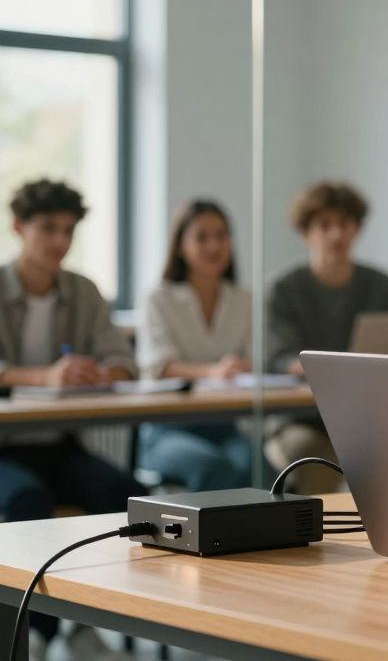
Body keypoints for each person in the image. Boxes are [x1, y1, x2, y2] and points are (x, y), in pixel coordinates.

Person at [0, 179, 144, 660]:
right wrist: (45, 375)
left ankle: (88, 620)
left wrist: (95, 372)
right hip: (5, 448)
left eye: (68, 230)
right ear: (18, 227)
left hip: (59, 445)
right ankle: (37, 632)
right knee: (27, 499)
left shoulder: (83, 291)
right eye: (48, 229)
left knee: (120, 492)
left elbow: (123, 360)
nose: (60, 241)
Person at [266, 182, 388, 493]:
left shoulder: (382, 286)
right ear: (306, 233)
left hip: (367, 419)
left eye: (344, 224)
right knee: (313, 458)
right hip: (299, 419)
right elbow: (278, 358)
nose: (336, 234)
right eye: (324, 225)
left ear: (356, 229)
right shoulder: (284, 289)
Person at [137, 199, 255, 491]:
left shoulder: (242, 299)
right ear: (180, 245)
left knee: (261, 465)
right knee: (213, 467)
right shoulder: (158, 298)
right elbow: (159, 367)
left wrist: (243, 366)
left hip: (224, 425)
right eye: (201, 237)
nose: (214, 246)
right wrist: (215, 372)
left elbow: (252, 360)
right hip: (166, 429)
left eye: (221, 236)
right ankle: (214, 537)